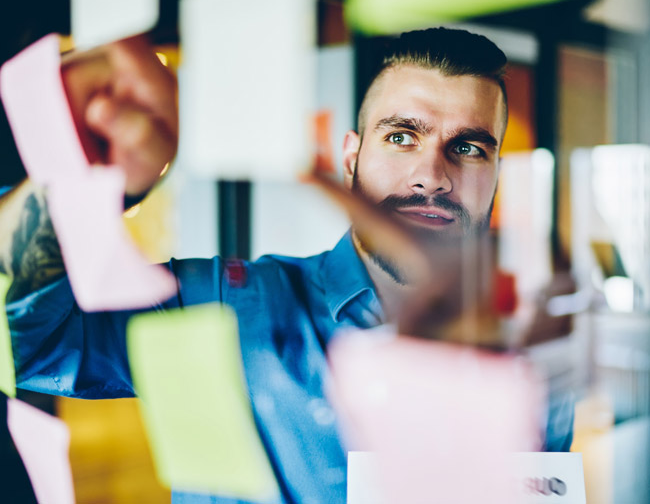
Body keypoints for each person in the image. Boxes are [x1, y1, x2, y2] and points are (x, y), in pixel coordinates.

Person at [0, 28, 573, 504]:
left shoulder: (537, 356)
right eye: (401, 137)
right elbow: (29, 342)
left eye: (469, 148)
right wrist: (70, 184)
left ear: (497, 173)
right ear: (352, 156)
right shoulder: (224, 308)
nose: (432, 176)